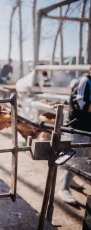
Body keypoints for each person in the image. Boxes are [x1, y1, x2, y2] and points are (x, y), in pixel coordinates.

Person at [58, 71, 91, 204]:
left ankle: (69, 179)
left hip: (87, 127)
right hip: (78, 127)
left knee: (82, 156)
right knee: (75, 157)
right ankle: (64, 188)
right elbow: (82, 104)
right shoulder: (85, 81)